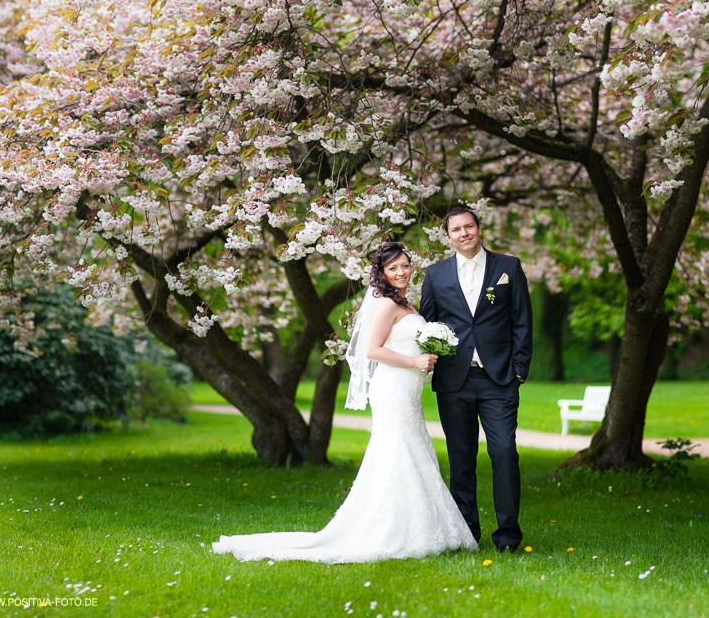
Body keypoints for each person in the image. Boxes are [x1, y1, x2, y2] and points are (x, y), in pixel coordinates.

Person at [211, 241, 477, 563]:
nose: (401, 272)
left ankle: (427, 525)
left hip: (408, 389)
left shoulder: (407, 304)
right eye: (393, 268)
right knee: (398, 449)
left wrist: (429, 353)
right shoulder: (385, 305)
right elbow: (372, 350)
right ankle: (395, 529)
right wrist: (415, 363)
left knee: (413, 446)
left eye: (405, 265)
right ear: (382, 273)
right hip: (392, 388)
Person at [419, 206, 532, 552]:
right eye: (457, 229)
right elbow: (427, 325)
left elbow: (522, 320)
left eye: (469, 226)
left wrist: (518, 368)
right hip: (454, 381)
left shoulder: (508, 267)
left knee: (503, 453)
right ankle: (467, 533)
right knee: (461, 458)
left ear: (479, 228)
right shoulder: (435, 275)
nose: (464, 233)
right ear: (448, 236)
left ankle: (508, 536)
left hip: (499, 379)